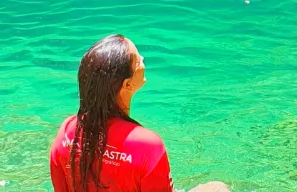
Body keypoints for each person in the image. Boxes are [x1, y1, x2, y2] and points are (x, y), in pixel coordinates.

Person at [49, 35, 227, 192]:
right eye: (137, 61)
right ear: (127, 85)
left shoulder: (67, 131)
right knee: (217, 188)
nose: (143, 58)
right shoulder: (148, 145)